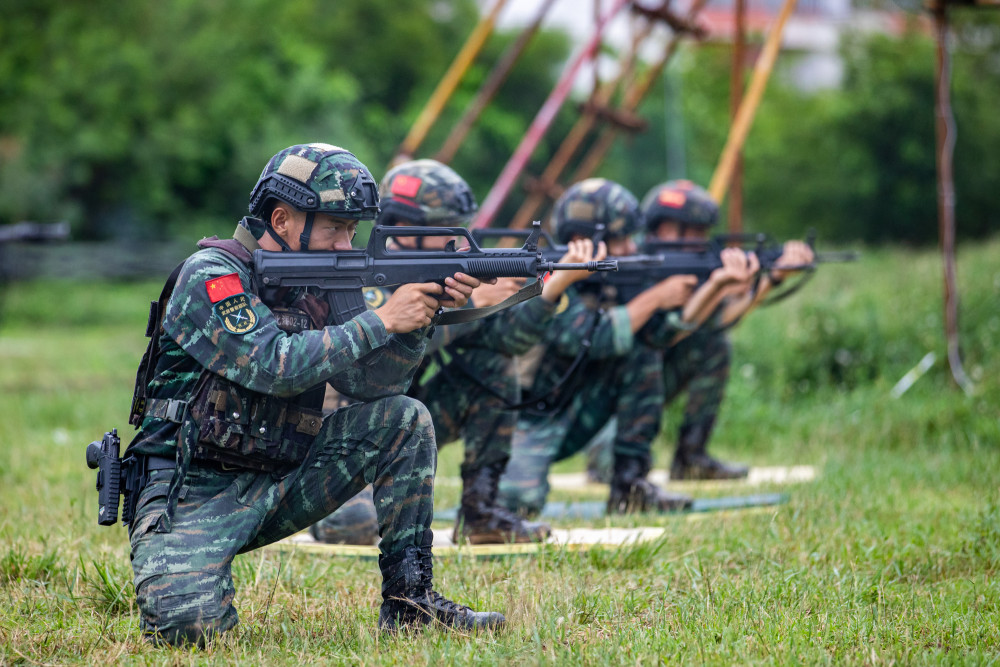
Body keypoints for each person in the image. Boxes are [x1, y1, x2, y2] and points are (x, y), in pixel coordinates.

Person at [122, 144, 503, 645]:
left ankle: (411, 601)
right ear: (282, 219)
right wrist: (383, 318)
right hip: (190, 490)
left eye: (352, 230)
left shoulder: (321, 278)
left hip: (279, 472)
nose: (347, 244)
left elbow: (373, 386)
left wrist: (417, 322)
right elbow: (272, 366)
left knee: (403, 420)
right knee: (188, 630)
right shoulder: (212, 276)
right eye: (335, 228)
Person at [311, 159, 602, 545]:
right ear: (402, 227)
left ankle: (481, 511)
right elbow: (370, 361)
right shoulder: (363, 276)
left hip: (398, 427)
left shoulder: (443, 274)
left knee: (491, 365)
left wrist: (552, 288)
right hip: (336, 437)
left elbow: (507, 344)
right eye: (447, 226)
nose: (461, 241)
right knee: (354, 527)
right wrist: (463, 304)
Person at [494, 178, 753, 518]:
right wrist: (656, 298)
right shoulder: (545, 277)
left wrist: (715, 287)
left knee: (641, 352)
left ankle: (630, 485)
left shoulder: (616, 278)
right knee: (517, 505)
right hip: (528, 418)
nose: (633, 247)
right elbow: (584, 336)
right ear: (584, 241)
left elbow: (658, 336)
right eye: (622, 239)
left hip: (576, 407)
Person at [587, 180, 814, 481]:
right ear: (665, 228)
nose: (701, 240)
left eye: (703, 232)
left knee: (714, 345)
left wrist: (771, 279)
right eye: (692, 230)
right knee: (608, 469)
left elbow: (718, 321)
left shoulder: (694, 265)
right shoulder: (630, 264)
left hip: (654, 377)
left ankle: (691, 457)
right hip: (608, 392)